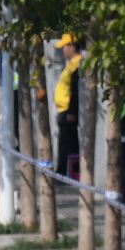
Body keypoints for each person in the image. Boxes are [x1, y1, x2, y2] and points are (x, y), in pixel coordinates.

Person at [52, 35, 82, 181]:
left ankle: (63, 173)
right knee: (68, 144)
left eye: (64, 47)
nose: (63, 50)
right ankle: (68, 173)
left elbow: (75, 91)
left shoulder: (77, 65)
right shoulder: (71, 64)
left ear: (72, 46)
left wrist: (71, 112)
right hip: (64, 110)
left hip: (68, 111)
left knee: (66, 145)